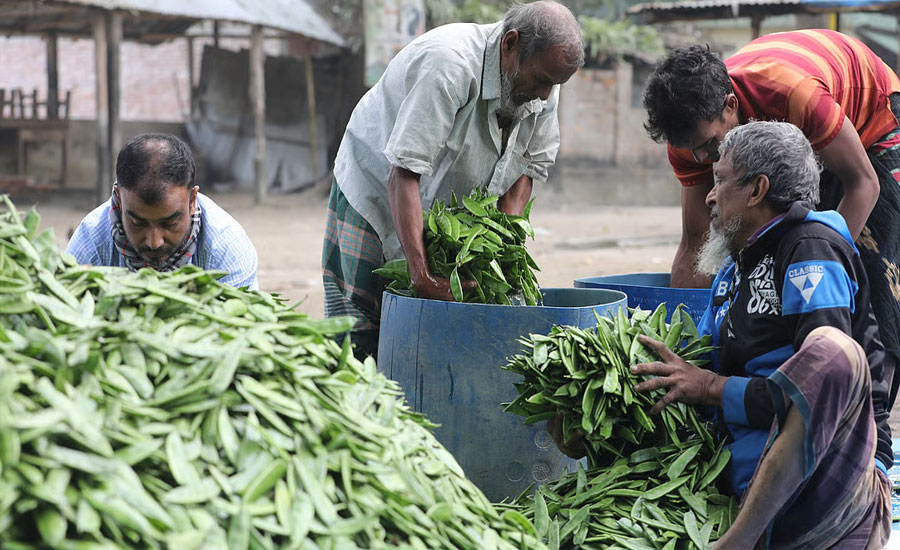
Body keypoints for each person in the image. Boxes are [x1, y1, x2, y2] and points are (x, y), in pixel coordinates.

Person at [628, 121, 891, 548]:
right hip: (740, 481)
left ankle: (738, 541)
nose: (710, 196)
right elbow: (694, 373)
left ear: (757, 189)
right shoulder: (734, 270)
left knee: (831, 352)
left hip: (824, 487)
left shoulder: (810, 249)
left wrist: (711, 387)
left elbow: (824, 387)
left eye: (720, 180)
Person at [642, 30, 900, 403]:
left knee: (869, 275)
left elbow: (863, 184)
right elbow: (695, 243)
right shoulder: (690, 138)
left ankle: (871, 426)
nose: (704, 160)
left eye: (710, 146)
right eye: (693, 151)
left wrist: (823, 261)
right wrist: (682, 352)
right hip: (790, 140)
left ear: (730, 106)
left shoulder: (792, 95)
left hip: (873, 120)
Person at [321, 0, 584, 357]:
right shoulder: (449, 65)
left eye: (554, 85)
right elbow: (402, 173)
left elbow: (527, 169)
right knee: (358, 329)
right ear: (510, 44)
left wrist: (502, 249)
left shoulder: (544, 81)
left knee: (424, 340)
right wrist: (421, 275)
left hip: (445, 206)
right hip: (376, 188)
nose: (545, 95)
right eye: (541, 81)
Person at [67, 133, 258, 290]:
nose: (154, 242)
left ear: (192, 200)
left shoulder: (226, 249)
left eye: (170, 224)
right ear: (118, 197)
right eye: (137, 223)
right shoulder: (91, 242)